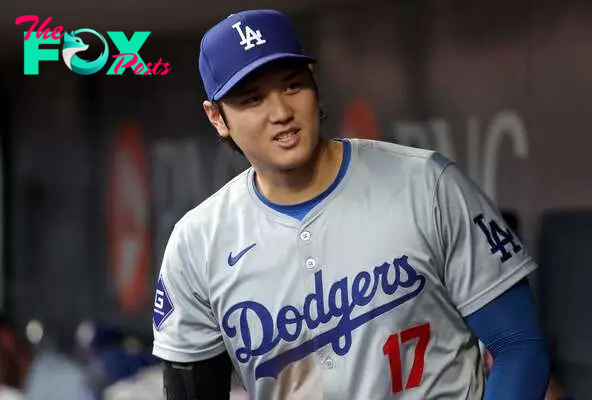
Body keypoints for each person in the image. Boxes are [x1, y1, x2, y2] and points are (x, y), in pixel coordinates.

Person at [152, 9, 550, 399]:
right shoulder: (197, 244)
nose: (281, 113)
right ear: (217, 117)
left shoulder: (427, 185)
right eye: (252, 99)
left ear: (315, 81)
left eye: (292, 86)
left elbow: (518, 347)